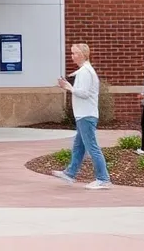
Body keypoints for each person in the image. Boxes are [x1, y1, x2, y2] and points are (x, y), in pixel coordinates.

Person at [52, 42, 112, 189]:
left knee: (92, 147)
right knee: (79, 146)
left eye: (75, 53)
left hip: (86, 115)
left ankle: (103, 179)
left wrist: (68, 87)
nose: (72, 56)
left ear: (84, 55)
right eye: (72, 53)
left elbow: (84, 93)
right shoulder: (84, 71)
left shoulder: (86, 72)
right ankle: (70, 173)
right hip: (84, 115)